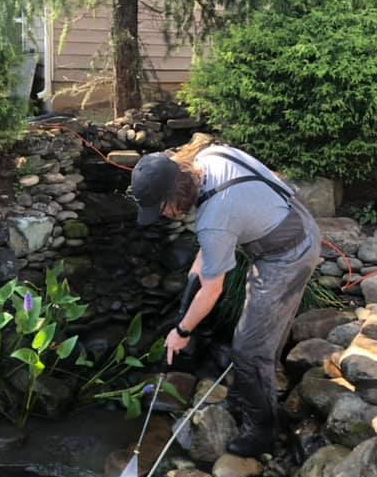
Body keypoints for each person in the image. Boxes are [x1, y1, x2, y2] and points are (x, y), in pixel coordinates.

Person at [130, 143, 321, 457]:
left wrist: (181, 332)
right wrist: (188, 298)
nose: (163, 216)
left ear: (175, 196)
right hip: (286, 218)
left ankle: (262, 429)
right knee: (261, 328)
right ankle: (255, 387)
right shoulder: (208, 159)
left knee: (247, 347)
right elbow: (203, 262)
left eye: (161, 209)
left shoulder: (214, 220)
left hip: (289, 252)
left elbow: (213, 289)